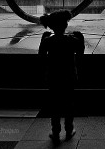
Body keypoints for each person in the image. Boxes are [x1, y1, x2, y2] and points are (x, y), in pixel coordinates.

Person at [38, 9, 85, 144]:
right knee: (69, 103)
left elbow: (41, 56)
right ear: (66, 25)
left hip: (53, 76)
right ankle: (69, 129)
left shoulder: (48, 41)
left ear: (51, 26)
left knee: (54, 104)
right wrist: (80, 38)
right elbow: (80, 54)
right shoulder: (72, 40)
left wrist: (43, 38)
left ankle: (56, 131)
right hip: (69, 76)